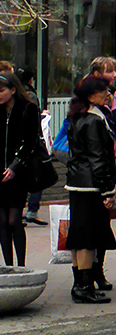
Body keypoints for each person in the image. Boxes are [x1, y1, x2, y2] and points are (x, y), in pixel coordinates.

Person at [64, 76, 116, 304]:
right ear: (91, 95)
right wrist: (107, 190)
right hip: (91, 185)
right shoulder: (95, 120)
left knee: (78, 235)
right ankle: (84, 287)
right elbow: (98, 158)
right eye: (104, 90)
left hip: (76, 182)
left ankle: (79, 284)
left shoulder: (76, 116)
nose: (109, 94)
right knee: (87, 236)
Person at [84, 56, 116, 292]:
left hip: (110, 166)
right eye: (108, 71)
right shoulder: (86, 100)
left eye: (115, 71)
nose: (113, 75)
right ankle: (85, 275)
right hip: (91, 168)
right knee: (89, 224)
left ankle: (98, 269)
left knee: (103, 222)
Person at [0, 71, 40, 267]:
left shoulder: (28, 109)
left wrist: (15, 166)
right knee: (1, 221)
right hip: (1, 173)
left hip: (18, 172)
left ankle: (21, 265)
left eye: (2, 91)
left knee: (13, 220)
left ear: (13, 90)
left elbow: (30, 143)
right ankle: (8, 265)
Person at [18, 67, 47, 227]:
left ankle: (20, 212)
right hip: (31, 143)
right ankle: (31, 211)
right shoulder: (30, 95)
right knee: (38, 175)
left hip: (20, 145)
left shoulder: (17, 95)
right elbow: (33, 120)